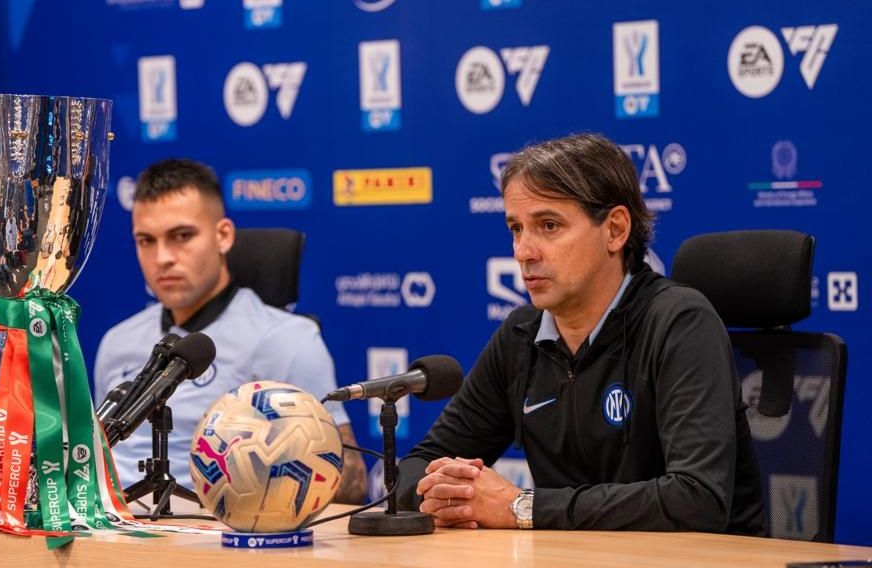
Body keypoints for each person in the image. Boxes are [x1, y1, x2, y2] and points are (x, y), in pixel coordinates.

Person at [397, 133, 764, 533]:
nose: (523, 251)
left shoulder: (680, 323)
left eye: (548, 225)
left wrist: (521, 506)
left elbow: (696, 499)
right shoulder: (520, 337)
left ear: (615, 230)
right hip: (570, 559)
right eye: (516, 228)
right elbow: (419, 465)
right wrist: (443, 495)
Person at [95, 158, 368, 504]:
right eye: (146, 240)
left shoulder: (286, 340)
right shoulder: (117, 340)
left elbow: (351, 482)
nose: (162, 257)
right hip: (107, 522)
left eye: (182, 236)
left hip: (212, 526)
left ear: (223, 236)